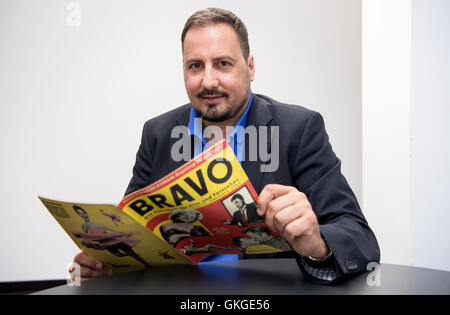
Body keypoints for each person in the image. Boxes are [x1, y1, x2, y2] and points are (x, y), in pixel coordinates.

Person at [73, 7, 380, 283]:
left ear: (250, 68)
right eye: (195, 66)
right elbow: (134, 233)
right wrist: (113, 265)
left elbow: (361, 239)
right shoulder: (158, 133)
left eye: (222, 64)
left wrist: (318, 243)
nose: (208, 81)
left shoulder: (299, 130)